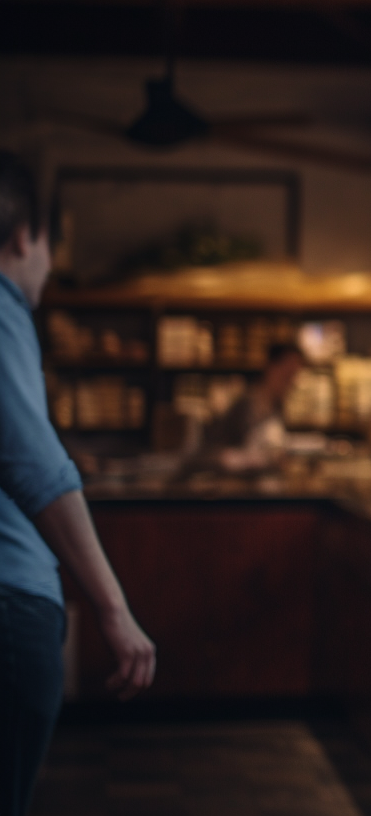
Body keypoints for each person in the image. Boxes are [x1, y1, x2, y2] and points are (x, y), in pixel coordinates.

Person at [0, 151, 155, 815]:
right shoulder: (3, 303)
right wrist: (114, 609)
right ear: (24, 238)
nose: (50, 269)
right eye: (49, 249)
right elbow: (34, 465)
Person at [202, 342, 304, 472]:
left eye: (294, 376)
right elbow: (216, 453)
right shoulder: (246, 404)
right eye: (287, 376)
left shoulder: (277, 406)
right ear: (272, 367)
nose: (292, 383)